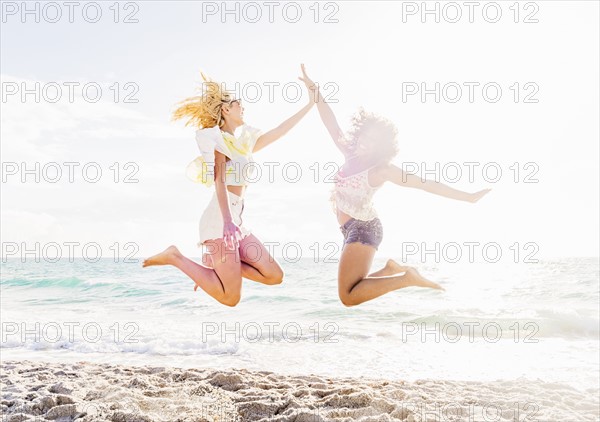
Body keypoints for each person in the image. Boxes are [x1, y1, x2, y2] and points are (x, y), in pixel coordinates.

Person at [299, 65, 491, 306]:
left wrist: (467, 197)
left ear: (381, 148)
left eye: (372, 142)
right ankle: (390, 269)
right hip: (350, 229)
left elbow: (424, 184)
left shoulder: (381, 170)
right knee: (355, 288)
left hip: (364, 229)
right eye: (364, 137)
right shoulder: (350, 153)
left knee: (348, 296)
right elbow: (330, 122)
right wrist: (314, 90)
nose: (364, 144)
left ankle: (406, 278)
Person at [143, 67, 316, 307]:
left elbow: (280, 132)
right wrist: (227, 222)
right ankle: (176, 257)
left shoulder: (242, 143)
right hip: (220, 220)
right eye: (238, 104)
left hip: (236, 219)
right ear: (226, 109)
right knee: (230, 298)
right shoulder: (217, 141)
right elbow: (219, 181)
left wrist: (311, 103)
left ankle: (215, 268)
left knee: (274, 275)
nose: (243, 108)